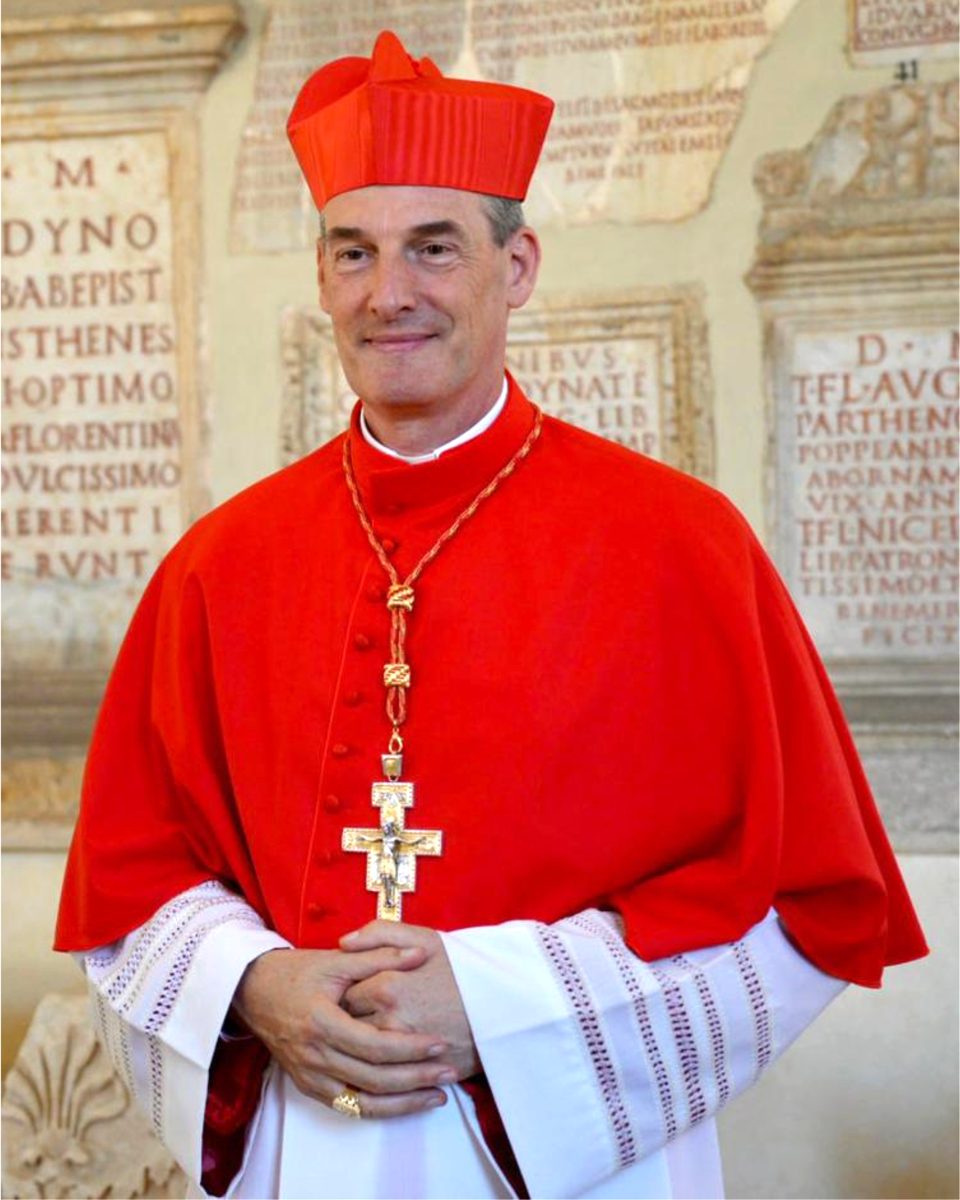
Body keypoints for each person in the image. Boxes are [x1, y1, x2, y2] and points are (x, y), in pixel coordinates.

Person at [55, 29, 927, 1200]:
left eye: (434, 247)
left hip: (579, 1163)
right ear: (322, 276)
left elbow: (805, 904)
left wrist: (499, 1004)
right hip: (299, 1144)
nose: (389, 293)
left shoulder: (681, 545)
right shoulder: (219, 565)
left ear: (516, 267)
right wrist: (256, 984)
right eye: (354, 252)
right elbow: (130, 878)